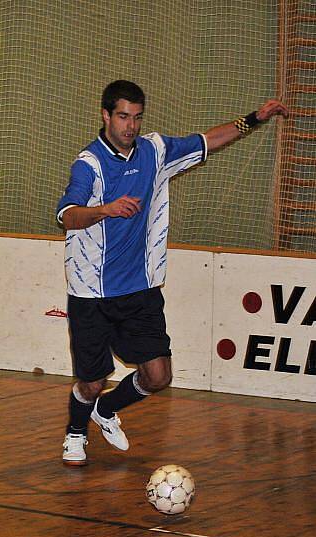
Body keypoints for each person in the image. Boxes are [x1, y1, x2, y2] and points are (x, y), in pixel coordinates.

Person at [56, 80, 288, 466]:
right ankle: (76, 431)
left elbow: (206, 141)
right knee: (92, 381)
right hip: (91, 294)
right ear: (106, 116)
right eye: (123, 116)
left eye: (137, 117)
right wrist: (105, 209)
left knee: (158, 376)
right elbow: (68, 216)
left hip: (140, 289)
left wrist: (255, 119)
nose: (130, 125)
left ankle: (107, 410)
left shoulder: (155, 150)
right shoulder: (90, 164)